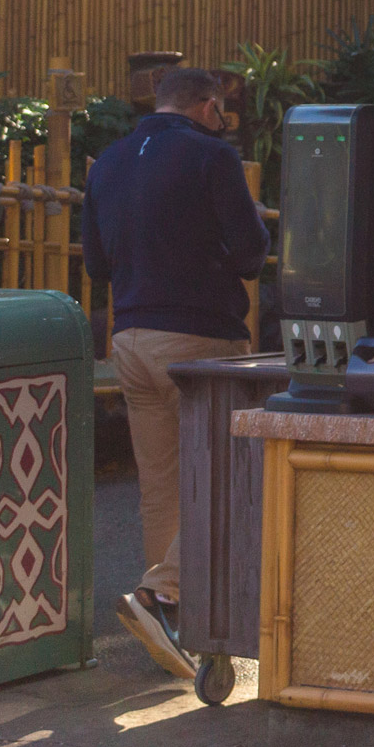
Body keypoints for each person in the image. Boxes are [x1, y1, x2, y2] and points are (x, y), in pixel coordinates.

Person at [82, 65, 270, 675]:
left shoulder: (107, 162)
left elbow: (95, 265)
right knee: (229, 474)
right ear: (207, 107)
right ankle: (159, 593)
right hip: (198, 340)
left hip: (130, 339)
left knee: (162, 485)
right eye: (222, 113)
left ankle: (166, 618)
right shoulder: (211, 157)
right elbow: (249, 253)